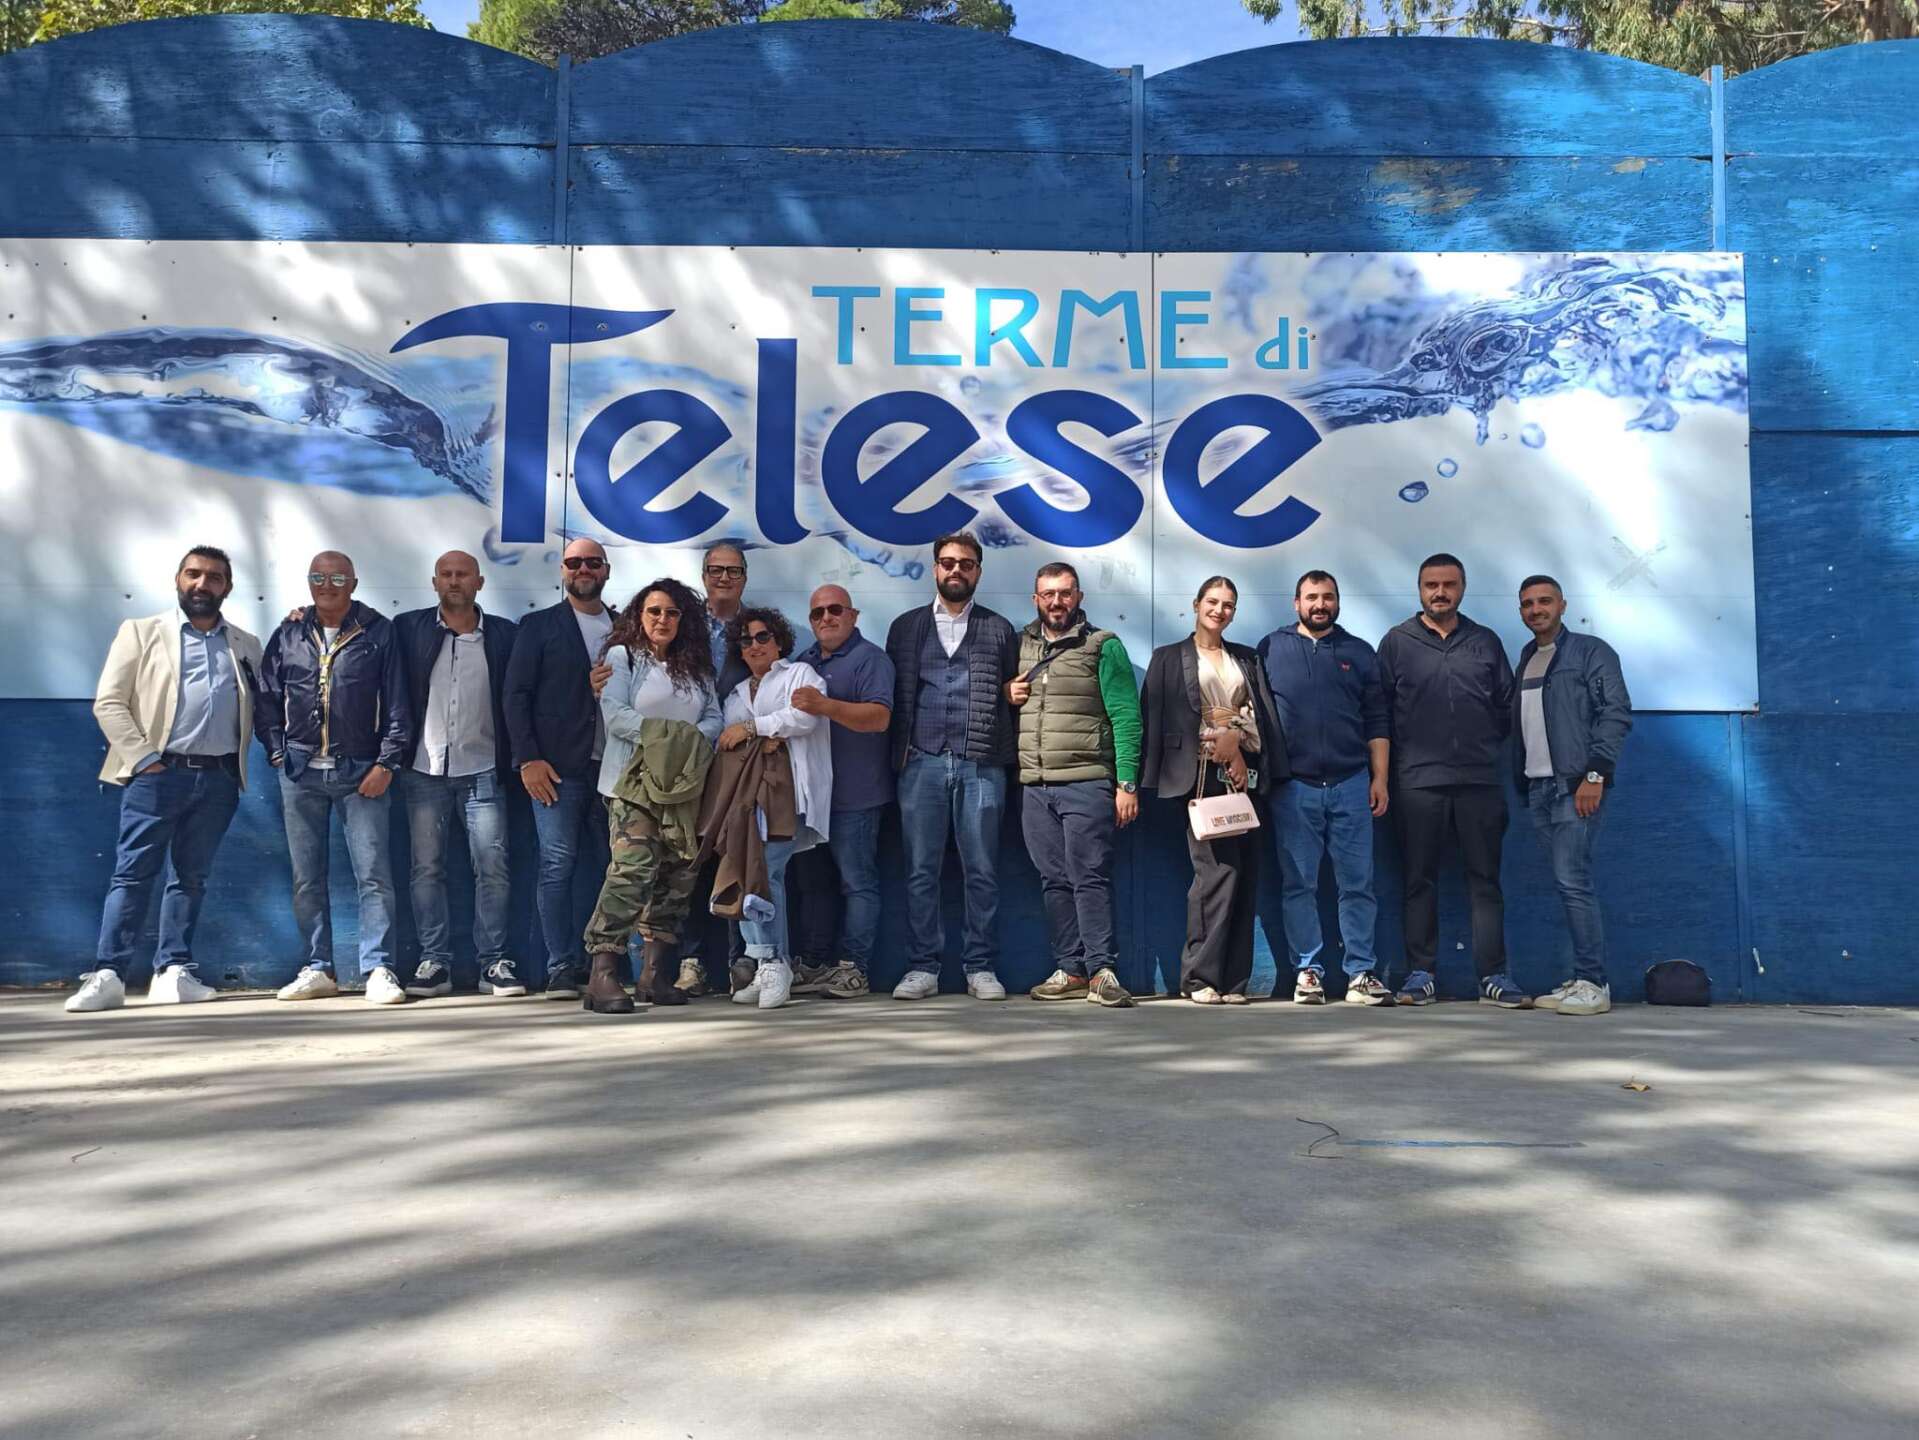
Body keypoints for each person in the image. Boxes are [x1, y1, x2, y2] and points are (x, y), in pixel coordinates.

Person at [69, 546, 264, 1013]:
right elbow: (109, 702)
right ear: (178, 580)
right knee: (133, 875)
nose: (203, 584)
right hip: (158, 776)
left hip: (218, 780)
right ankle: (109, 973)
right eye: (194, 574)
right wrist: (145, 760)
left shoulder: (245, 644)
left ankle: (172, 970)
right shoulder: (141, 633)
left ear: (228, 588)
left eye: (214, 577)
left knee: (191, 878)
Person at [257, 551, 412, 1003]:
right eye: (319, 577)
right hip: (300, 772)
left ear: (354, 582)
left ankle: (379, 967)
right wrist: (276, 752)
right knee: (307, 877)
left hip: (361, 771)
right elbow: (267, 696)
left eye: (338, 576)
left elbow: (399, 703)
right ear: (308, 582)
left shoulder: (379, 631)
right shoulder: (289, 632)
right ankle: (318, 967)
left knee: (374, 876)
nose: (328, 584)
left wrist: (387, 763)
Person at [1376, 553, 1525, 1008]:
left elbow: (1506, 707)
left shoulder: (1485, 641)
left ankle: (1493, 977)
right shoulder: (1397, 643)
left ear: (1462, 588)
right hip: (1417, 784)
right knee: (1419, 880)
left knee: (1486, 881)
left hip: (1479, 781)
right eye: (1431, 585)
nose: (1440, 592)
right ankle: (1421, 974)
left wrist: (1478, 745)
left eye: (1449, 584)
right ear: (1419, 589)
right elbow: (1380, 713)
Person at [883, 531, 1021, 1001]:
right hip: (920, 763)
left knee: (981, 869)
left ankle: (979, 966)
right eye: (947, 562)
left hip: (980, 764)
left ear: (978, 571)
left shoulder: (1000, 629)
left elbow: (1009, 695)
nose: (955, 570)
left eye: (965, 563)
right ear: (935, 568)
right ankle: (923, 966)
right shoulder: (905, 628)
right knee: (921, 871)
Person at [1142, 575, 1289, 1004]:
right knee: (1215, 875)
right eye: (1212, 601)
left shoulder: (1245, 658)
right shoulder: (1168, 657)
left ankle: (1234, 981)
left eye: (1227, 604)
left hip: (1246, 779)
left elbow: (1261, 715)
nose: (1219, 610)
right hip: (1200, 779)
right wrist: (1222, 744)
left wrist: (1239, 747)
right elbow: (1158, 718)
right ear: (1195, 604)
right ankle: (1199, 978)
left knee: (1244, 876)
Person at [578, 578, 722, 1014]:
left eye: (672, 613)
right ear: (639, 616)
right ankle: (602, 975)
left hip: (683, 788)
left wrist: (688, 743)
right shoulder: (623, 658)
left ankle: (654, 975)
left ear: (684, 621)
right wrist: (673, 740)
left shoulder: (696, 666)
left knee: (677, 878)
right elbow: (617, 716)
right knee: (631, 872)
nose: (663, 619)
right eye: (654, 611)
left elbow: (713, 716)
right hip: (633, 784)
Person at [1256, 570, 1394, 1006]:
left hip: (1353, 783)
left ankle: (1360, 974)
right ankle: (1308, 972)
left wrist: (1380, 779)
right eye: (1311, 597)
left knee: (1358, 885)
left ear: (1337, 602)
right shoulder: (1272, 648)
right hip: (1293, 788)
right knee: (1299, 885)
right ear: (1296, 603)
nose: (1320, 604)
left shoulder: (1359, 652)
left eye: (1328, 597)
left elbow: (1377, 721)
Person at [1010, 563, 1142, 1008]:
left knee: (1089, 878)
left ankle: (1102, 971)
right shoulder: (1021, 645)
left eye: (1065, 593)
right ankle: (1069, 969)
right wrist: (1008, 695)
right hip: (1034, 785)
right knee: (1054, 880)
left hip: (1087, 781)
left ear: (1079, 597)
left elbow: (1126, 717)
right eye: (1048, 593)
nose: (1057, 602)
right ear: (1035, 600)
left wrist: (1127, 784)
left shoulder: (1103, 646)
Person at [394, 550, 522, 998]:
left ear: (479, 582)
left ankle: (494, 963)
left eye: (462, 574)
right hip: (422, 769)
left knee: (493, 868)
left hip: (483, 768)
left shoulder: (504, 635)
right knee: (426, 869)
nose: (454, 582)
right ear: (434, 583)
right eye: (446, 575)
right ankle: (435, 962)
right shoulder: (406, 629)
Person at [1512, 575, 1633, 1017]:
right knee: (1567, 884)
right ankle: (1582, 978)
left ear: (1563, 605)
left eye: (1544, 601)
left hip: (1574, 785)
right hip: (1538, 787)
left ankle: (1593, 983)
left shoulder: (1590, 652)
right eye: (1527, 603)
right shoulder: (1528, 657)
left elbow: (1615, 713)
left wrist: (1595, 775)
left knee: (1574, 881)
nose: (1536, 609)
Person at [503, 538, 616, 998]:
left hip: (616, 768)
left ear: (606, 571)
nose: (583, 569)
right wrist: (528, 759)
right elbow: (515, 696)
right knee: (557, 865)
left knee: (615, 867)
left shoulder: (628, 627)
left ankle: (605, 964)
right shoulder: (537, 626)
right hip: (557, 769)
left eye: (592, 562)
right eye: (574, 563)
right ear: (563, 571)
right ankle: (561, 966)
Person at [713, 607, 832, 1011]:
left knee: (765, 871)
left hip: (790, 795)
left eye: (762, 637)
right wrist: (757, 736)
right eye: (745, 641)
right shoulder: (735, 693)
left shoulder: (800, 675)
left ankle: (776, 962)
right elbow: (724, 742)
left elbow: (805, 717)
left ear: (778, 641)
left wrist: (753, 728)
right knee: (748, 870)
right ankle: (765, 961)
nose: (754, 646)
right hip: (746, 802)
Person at [789, 584, 896, 1000]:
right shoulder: (804, 661)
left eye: (835, 610)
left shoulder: (871, 659)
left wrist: (827, 707)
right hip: (812, 799)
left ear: (853, 615)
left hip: (857, 797)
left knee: (858, 884)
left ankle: (855, 969)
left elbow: (880, 718)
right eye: (817, 613)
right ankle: (815, 964)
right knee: (813, 886)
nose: (826, 618)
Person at [675, 540, 752, 997]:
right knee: (689, 861)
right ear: (703, 575)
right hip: (689, 759)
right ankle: (691, 962)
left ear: (745, 577)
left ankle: (741, 960)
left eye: (733, 571)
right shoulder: (683, 625)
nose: (724, 578)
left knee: (739, 858)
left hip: (741, 762)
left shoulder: (758, 629)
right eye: (715, 570)